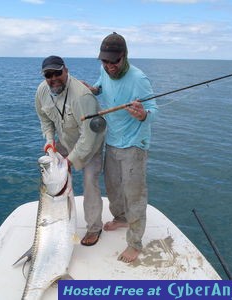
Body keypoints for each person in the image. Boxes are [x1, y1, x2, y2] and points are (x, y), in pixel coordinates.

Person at [84, 32, 158, 263]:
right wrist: (94, 90)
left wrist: (143, 114)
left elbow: (154, 110)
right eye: (104, 61)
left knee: (134, 194)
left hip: (134, 145)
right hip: (112, 140)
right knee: (113, 188)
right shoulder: (105, 72)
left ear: (124, 57)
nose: (109, 66)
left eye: (113, 61)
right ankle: (121, 217)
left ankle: (135, 243)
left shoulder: (139, 78)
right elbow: (101, 86)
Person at [35, 55, 105, 246]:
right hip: (64, 141)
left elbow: (89, 137)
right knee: (52, 184)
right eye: (49, 75)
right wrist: (50, 141)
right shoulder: (42, 91)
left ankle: (94, 228)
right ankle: (58, 223)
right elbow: (45, 119)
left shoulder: (82, 96)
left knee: (90, 182)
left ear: (66, 70)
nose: (54, 78)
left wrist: (69, 161)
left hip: (90, 143)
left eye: (58, 73)